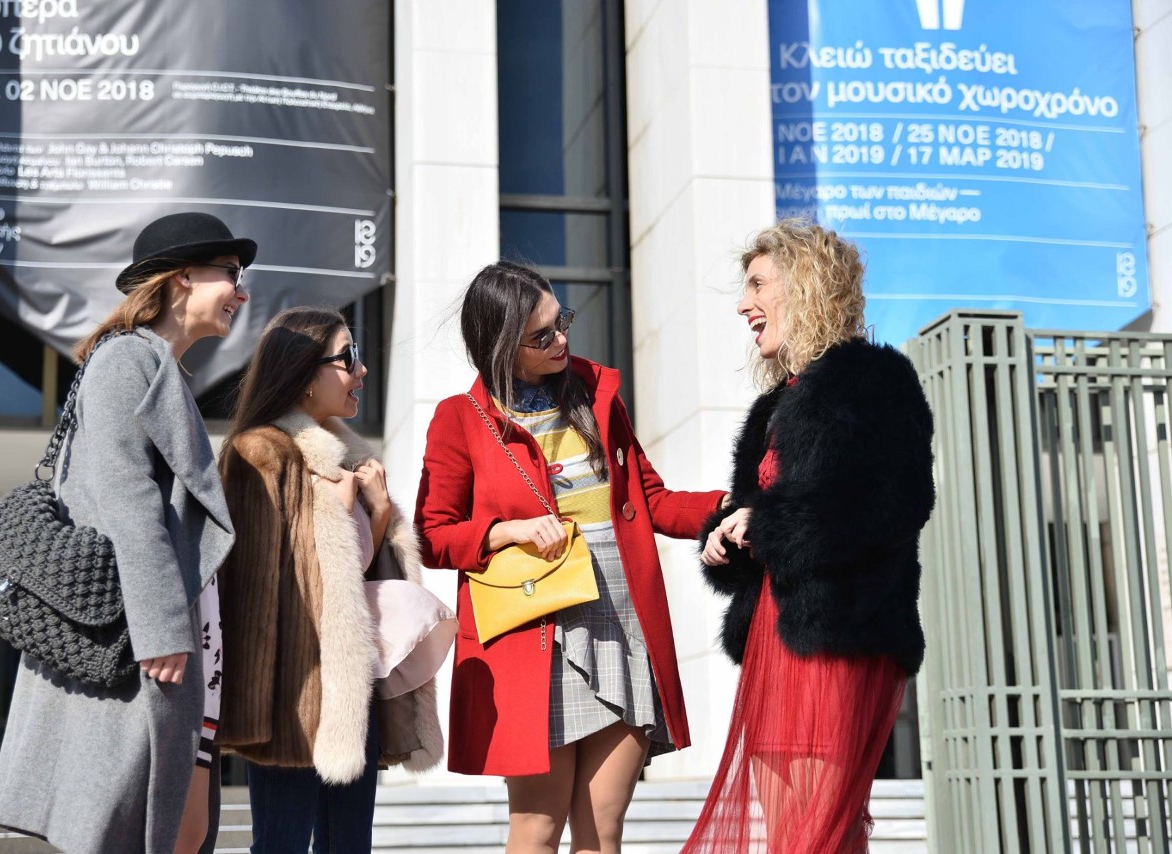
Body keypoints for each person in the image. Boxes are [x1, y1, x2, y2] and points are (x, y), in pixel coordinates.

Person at [415, 261, 729, 854]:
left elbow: (650, 500)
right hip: (537, 632)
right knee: (537, 828)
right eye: (542, 336)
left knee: (602, 829)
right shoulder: (461, 419)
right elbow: (432, 536)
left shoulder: (595, 394)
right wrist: (506, 531)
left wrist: (728, 506)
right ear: (501, 344)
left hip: (621, 617)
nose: (561, 340)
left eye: (563, 322)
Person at [0, 211, 255, 853]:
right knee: (128, 825)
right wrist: (161, 628)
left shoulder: (155, 366)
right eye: (230, 274)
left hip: (157, 634)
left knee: (165, 825)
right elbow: (127, 502)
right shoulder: (126, 360)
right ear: (183, 277)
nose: (241, 293)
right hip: (134, 637)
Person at [683, 221, 934, 853]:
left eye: (757, 285)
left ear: (806, 286)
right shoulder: (774, 405)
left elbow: (893, 502)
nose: (743, 304)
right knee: (790, 833)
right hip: (773, 639)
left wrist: (764, 522)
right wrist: (726, 539)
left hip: (840, 637)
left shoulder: (875, 378)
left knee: (819, 836)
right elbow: (759, 514)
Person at [216, 307, 446, 854]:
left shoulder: (350, 462)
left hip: (351, 687)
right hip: (292, 692)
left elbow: (355, 573)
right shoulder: (260, 453)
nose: (361, 370)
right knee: (282, 845)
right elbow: (254, 588)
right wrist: (345, 513)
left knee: (349, 845)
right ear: (303, 372)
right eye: (348, 358)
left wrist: (380, 514)